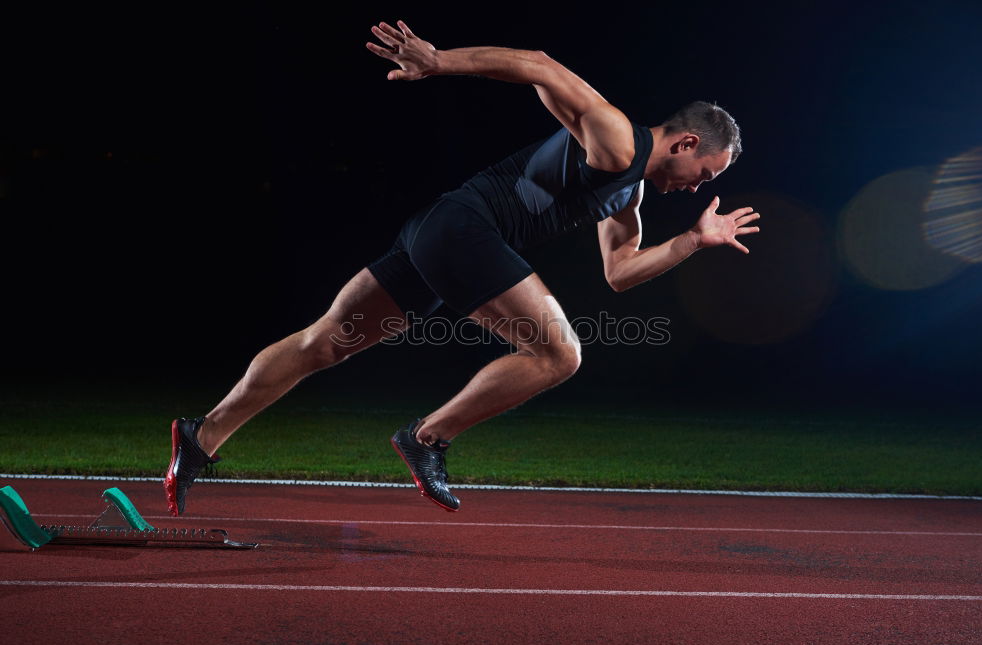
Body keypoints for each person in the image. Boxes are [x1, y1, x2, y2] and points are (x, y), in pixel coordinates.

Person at [164, 19, 761, 516]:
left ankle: (202, 436)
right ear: (685, 144)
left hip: (437, 233)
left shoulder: (626, 195)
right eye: (704, 175)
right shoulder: (617, 139)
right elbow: (540, 64)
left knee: (325, 341)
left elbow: (620, 272)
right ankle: (427, 437)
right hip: (463, 231)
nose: (695, 189)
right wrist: (439, 61)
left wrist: (691, 241)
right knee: (560, 355)